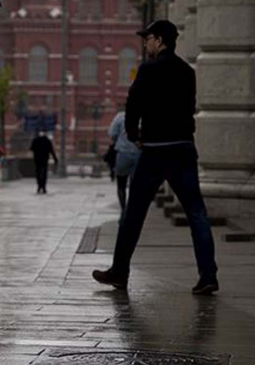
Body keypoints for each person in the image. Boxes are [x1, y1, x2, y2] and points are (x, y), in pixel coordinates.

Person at [93, 20, 218, 295]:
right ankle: (208, 275)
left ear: (159, 41)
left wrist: (133, 133)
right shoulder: (187, 71)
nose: (145, 43)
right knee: (197, 213)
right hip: (183, 148)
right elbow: (189, 106)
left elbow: (133, 103)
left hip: (155, 150)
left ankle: (119, 272)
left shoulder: (148, 69)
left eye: (148, 39)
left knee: (134, 214)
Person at [107, 109, 140, 214]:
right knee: (136, 185)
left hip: (123, 153)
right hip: (140, 155)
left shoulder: (121, 117)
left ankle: (123, 209)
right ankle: (133, 208)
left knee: (121, 184)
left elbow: (112, 134)